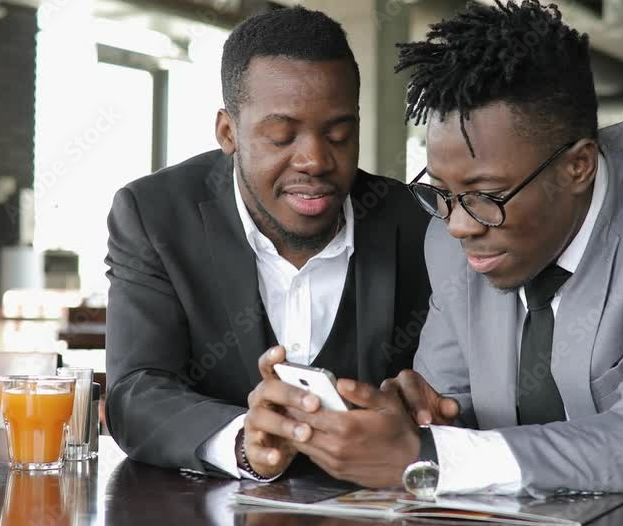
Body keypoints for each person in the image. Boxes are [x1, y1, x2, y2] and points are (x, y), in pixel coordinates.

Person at [268, 2, 623, 525]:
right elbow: (453, 407)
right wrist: (411, 417)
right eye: (441, 191)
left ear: (579, 166)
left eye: (486, 192)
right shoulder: (453, 231)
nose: (459, 223)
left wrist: (427, 454)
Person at [104, 6, 431, 481]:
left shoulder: (418, 224)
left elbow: (458, 389)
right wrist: (241, 441)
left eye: (339, 135)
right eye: (281, 136)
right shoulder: (155, 215)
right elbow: (136, 392)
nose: (315, 160)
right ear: (228, 132)